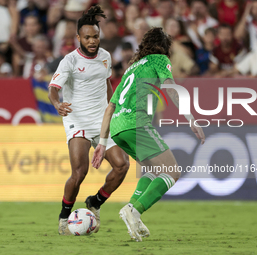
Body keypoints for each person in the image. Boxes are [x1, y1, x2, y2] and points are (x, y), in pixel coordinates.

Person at [91, 27, 205, 242]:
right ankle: (134, 210)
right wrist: (191, 119)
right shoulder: (159, 59)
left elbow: (110, 108)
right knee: (172, 172)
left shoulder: (131, 68)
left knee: (153, 170)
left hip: (117, 128)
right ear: (164, 47)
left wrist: (103, 143)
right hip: (136, 123)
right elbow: (170, 88)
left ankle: (134, 214)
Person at [47, 5, 129, 236]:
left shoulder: (106, 56)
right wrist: (57, 104)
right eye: (87, 37)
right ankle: (65, 217)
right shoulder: (69, 61)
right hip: (78, 119)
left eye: (95, 36)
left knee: (122, 165)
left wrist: (113, 105)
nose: (92, 41)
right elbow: (53, 89)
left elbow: (106, 82)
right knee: (80, 172)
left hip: (101, 118)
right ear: (78, 38)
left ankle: (95, 201)